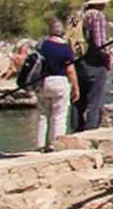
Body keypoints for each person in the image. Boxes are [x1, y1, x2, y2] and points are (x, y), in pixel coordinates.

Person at [32, 19, 79, 151]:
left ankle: (40, 145)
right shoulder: (65, 48)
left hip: (43, 81)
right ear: (62, 32)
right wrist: (76, 87)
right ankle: (55, 144)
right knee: (59, 115)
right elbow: (70, 69)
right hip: (60, 81)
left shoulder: (42, 45)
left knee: (43, 114)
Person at [74, 0, 113, 130]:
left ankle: (76, 129)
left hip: (78, 61)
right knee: (95, 100)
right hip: (94, 63)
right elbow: (99, 42)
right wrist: (108, 57)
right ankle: (90, 131)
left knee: (79, 99)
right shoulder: (97, 16)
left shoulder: (79, 15)